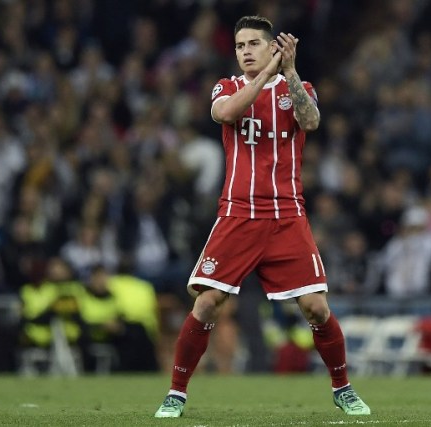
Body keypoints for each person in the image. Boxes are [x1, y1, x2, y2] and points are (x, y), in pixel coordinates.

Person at [154, 16, 370, 418]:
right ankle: (176, 394)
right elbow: (226, 113)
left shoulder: (299, 89)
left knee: (317, 309)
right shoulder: (228, 86)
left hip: (287, 214)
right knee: (207, 304)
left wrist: (287, 73)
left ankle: (343, 388)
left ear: (273, 46)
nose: (246, 51)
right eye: (240, 45)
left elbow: (311, 121)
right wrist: (268, 72)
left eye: (254, 43)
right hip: (239, 214)